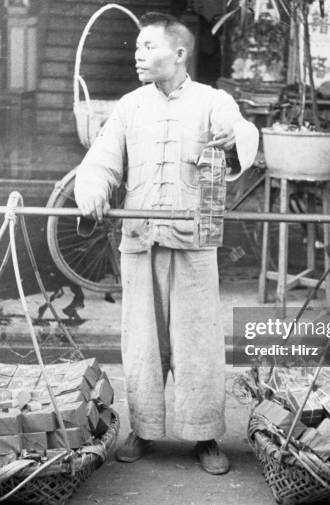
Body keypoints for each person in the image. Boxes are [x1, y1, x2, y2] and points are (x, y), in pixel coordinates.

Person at [73, 12, 258, 475]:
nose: (138, 54)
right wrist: (92, 193)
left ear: (178, 54)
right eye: (136, 47)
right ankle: (145, 427)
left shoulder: (212, 101)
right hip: (139, 239)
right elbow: (101, 161)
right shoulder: (129, 106)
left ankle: (206, 434)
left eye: (148, 47)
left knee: (197, 343)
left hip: (193, 243)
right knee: (142, 343)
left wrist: (233, 137)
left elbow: (241, 131)